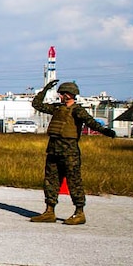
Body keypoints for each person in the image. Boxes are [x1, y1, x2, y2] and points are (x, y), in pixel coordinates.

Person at [29, 80, 116, 225]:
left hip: (70, 152)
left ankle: (79, 213)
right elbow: (37, 105)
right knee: (51, 181)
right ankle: (49, 212)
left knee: (74, 182)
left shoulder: (77, 110)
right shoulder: (57, 109)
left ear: (68, 95)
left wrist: (105, 131)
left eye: (62, 94)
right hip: (53, 150)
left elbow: (91, 122)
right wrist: (45, 90)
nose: (60, 96)